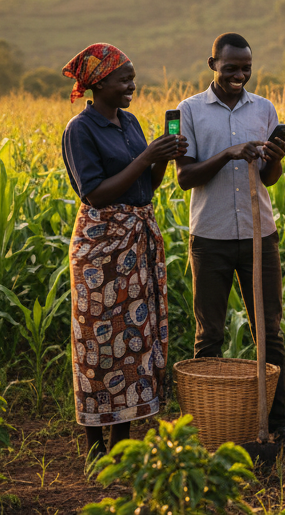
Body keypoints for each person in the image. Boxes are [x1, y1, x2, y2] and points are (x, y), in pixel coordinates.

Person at [60, 43, 187, 461]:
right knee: (99, 342)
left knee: (132, 341)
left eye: (132, 77)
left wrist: (163, 158)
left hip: (136, 238)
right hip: (102, 248)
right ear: (98, 84)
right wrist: (147, 154)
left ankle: (122, 444)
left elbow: (145, 188)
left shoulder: (129, 122)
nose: (132, 85)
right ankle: (95, 446)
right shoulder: (80, 130)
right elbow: (94, 194)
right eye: (124, 79)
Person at [175, 33, 285, 451]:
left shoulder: (263, 108)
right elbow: (184, 177)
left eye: (246, 67)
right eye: (230, 68)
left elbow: (267, 178)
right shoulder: (190, 111)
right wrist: (229, 153)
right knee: (209, 332)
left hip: (259, 233)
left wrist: (275, 157)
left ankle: (277, 425)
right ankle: (203, 428)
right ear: (213, 64)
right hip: (210, 236)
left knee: (271, 332)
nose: (239, 75)